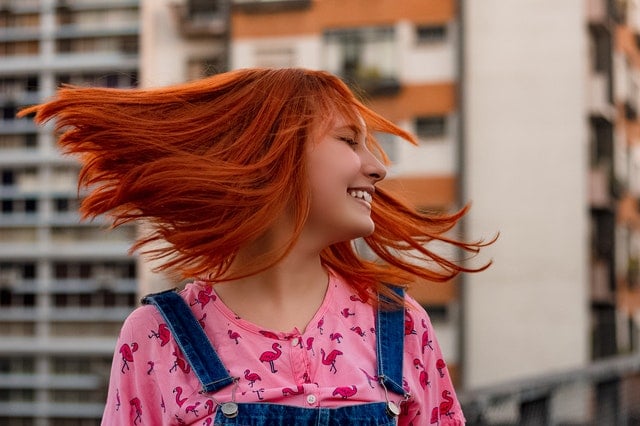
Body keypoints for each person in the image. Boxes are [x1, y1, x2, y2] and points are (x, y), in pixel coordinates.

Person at [22, 68, 491, 425]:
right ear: (269, 156)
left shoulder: (402, 326)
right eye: (350, 141)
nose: (376, 168)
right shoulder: (155, 338)